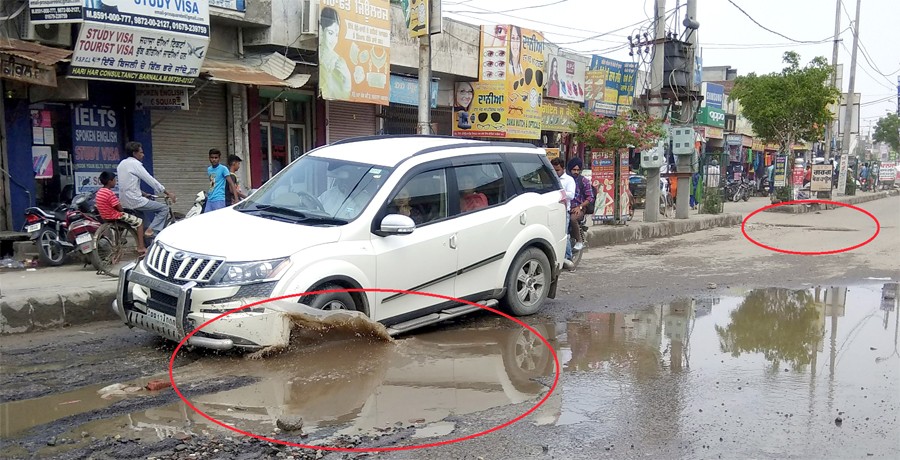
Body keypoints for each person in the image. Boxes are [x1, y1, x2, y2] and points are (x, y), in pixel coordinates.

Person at [117, 141, 175, 239]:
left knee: (145, 224)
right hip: (135, 200)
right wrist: (167, 193)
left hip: (124, 201)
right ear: (135, 153)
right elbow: (150, 180)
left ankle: (146, 248)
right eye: (141, 152)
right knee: (164, 208)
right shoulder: (135, 164)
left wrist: (143, 193)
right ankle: (152, 230)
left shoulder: (121, 164)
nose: (143, 155)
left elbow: (128, 184)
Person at [95, 171, 146, 255]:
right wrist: (123, 210)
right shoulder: (109, 193)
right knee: (139, 222)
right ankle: (141, 247)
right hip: (114, 216)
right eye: (114, 180)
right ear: (110, 181)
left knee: (121, 226)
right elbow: (119, 208)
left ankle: (118, 241)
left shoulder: (99, 192)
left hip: (105, 217)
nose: (115, 182)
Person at [318, 7, 352, 101]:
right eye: (330, 33)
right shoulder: (316, 57)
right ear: (321, 30)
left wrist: (347, 78)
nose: (334, 40)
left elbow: (343, 96)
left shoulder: (339, 62)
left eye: (336, 35)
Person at [551, 157, 575, 269]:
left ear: (563, 169)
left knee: (563, 234)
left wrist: (559, 193)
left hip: (564, 210)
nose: (555, 172)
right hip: (551, 210)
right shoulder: (550, 178)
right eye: (554, 170)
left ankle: (568, 258)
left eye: (558, 170)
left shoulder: (569, 180)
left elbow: (571, 195)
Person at [567, 157, 594, 252]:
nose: (576, 172)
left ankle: (579, 241)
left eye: (578, 170)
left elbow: (590, 197)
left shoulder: (584, 181)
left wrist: (580, 206)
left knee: (573, 219)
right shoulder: (566, 180)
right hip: (566, 207)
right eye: (574, 170)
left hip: (580, 207)